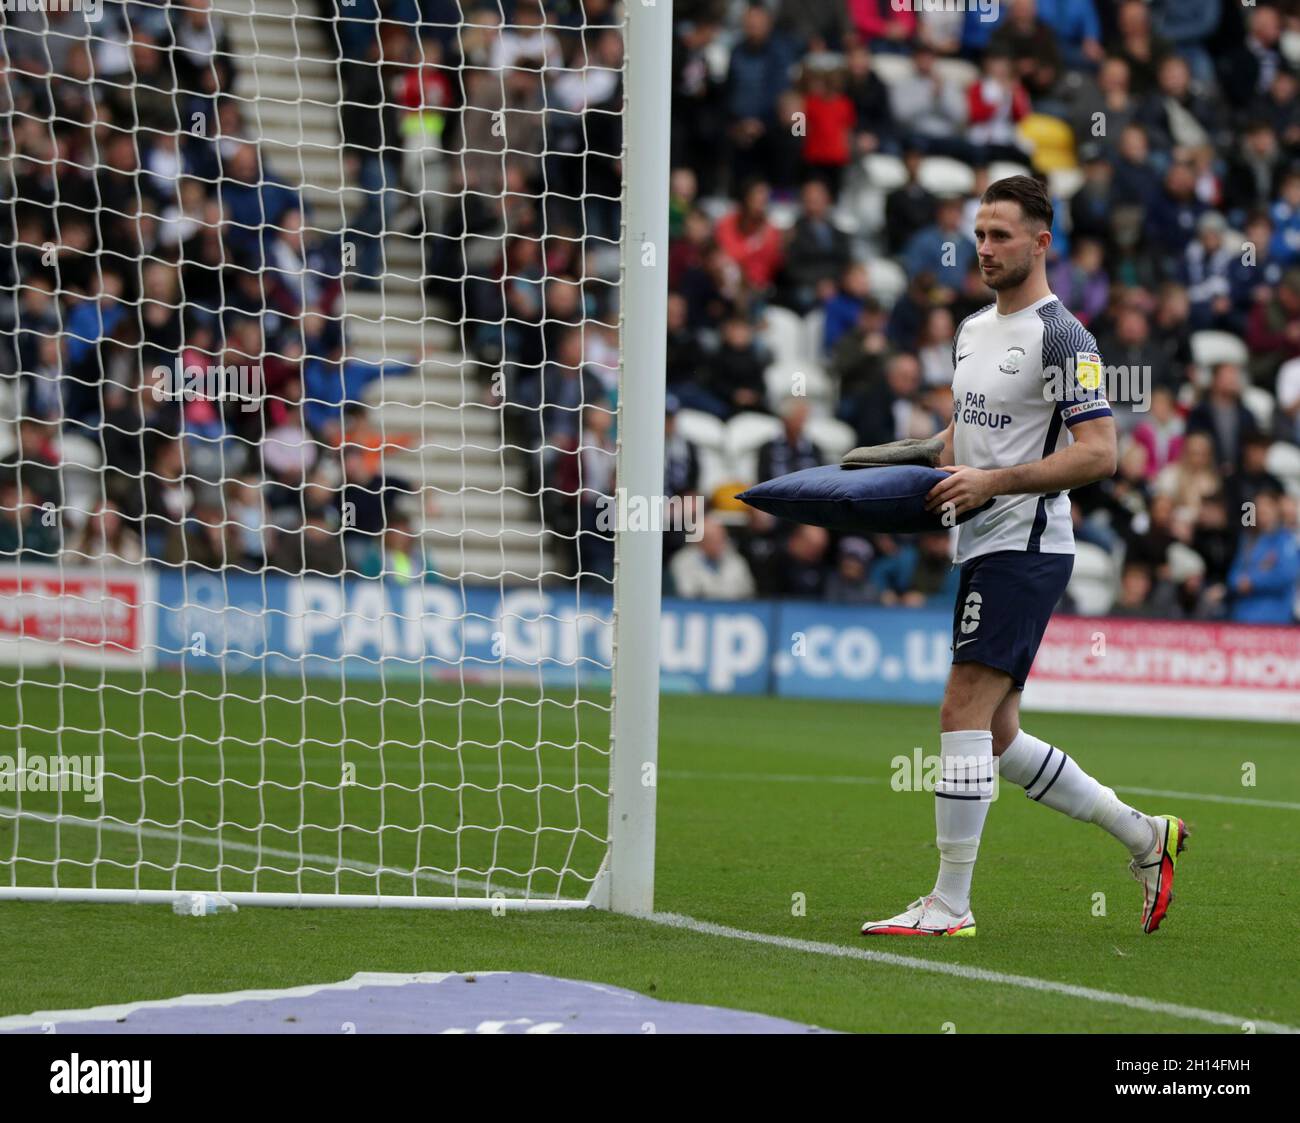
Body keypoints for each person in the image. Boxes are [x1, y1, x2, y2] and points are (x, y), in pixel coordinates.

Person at [860, 176, 1187, 940]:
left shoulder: (1066, 338)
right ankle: (1146, 837)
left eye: (1001, 235)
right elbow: (959, 442)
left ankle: (949, 904)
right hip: (981, 542)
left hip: (1027, 542)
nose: (984, 248)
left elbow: (1099, 454)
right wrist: (885, 468)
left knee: (960, 710)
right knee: (998, 736)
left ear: (1043, 243)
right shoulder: (973, 329)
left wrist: (995, 482)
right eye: (978, 233)